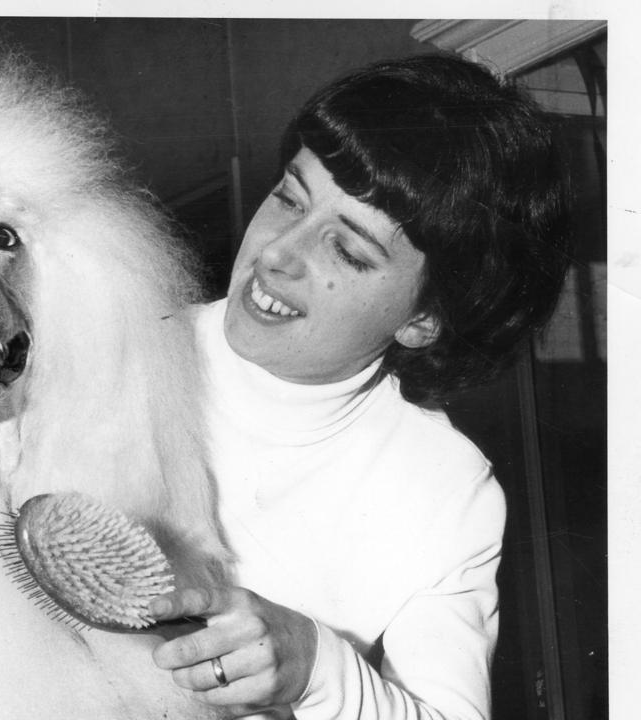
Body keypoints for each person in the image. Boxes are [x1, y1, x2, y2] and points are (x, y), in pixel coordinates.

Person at [149, 54, 573, 719]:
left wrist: (317, 665)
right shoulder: (113, 344)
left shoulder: (449, 493)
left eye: (348, 250)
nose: (277, 253)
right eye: (290, 196)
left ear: (424, 319)